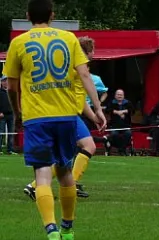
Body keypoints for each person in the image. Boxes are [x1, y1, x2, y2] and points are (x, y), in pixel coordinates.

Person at [2, 0, 105, 240]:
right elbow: (84, 75)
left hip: (37, 117)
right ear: (52, 15)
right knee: (65, 171)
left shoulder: (19, 42)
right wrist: (98, 109)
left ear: (27, 17)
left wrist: (17, 113)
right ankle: (67, 227)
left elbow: (11, 86)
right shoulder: (69, 38)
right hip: (66, 115)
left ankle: (51, 229)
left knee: (42, 174)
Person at [24, 36, 104, 200]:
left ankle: (35, 186)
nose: (94, 54)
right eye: (93, 50)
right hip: (68, 115)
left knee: (65, 156)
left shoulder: (71, 65)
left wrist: (94, 118)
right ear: (87, 51)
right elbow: (80, 100)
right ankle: (70, 184)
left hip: (68, 113)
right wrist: (98, 110)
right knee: (89, 146)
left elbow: (81, 101)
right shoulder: (79, 68)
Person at [107, 89, 134, 155]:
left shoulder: (128, 103)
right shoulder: (112, 102)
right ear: (115, 95)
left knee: (128, 133)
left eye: (121, 95)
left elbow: (132, 111)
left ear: (123, 96)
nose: (119, 96)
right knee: (114, 134)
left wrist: (123, 111)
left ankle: (122, 149)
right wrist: (117, 112)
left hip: (126, 125)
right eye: (118, 94)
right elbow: (107, 110)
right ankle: (120, 148)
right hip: (114, 126)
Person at [0, 76, 16, 154]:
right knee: (1, 132)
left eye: (6, 81)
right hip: (2, 115)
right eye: (3, 81)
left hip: (11, 115)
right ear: (1, 82)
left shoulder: (11, 91)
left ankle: (10, 149)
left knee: (11, 133)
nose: (5, 82)